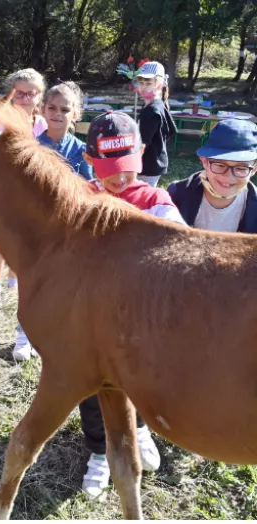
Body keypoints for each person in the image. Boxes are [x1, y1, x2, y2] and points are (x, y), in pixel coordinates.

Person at [77, 111, 179, 499]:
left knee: (140, 377)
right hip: (89, 318)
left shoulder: (156, 201)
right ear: (89, 161)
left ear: (140, 154)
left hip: (140, 321)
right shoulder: (80, 198)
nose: (120, 179)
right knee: (90, 384)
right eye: (110, 169)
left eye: (128, 168)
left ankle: (138, 429)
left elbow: (180, 256)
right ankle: (99, 451)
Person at [1, 68, 47, 359]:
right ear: (10, 94)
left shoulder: (45, 124)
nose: (27, 98)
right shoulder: (0, 124)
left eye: (33, 93)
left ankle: (27, 335)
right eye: (21, 92)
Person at [168, 119, 257, 233]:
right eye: (219, 165)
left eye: (241, 168)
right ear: (204, 161)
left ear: (254, 168)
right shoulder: (176, 195)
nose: (228, 177)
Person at [133, 61, 177, 187]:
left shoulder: (153, 110)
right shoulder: (154, 105)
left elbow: (143, 143)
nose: (143, 87)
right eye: (141, 83)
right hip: (153, 162)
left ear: (159, 84)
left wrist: (131, 162)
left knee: (141, 200)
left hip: (147, 166)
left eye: (148, 83)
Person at [38, 81, 93, 180]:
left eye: (65, 110)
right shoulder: (32, 146)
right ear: (43, 110)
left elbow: (88, 186)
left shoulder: (81, 150)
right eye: (52, 108)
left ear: (75, 114)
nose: (58, 113)